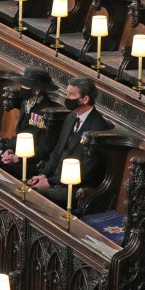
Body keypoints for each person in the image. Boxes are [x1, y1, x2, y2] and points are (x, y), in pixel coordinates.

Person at [27, 77, 112, 208]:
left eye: (71, 94)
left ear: (85, 99)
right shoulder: (71, 116)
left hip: (75, 188)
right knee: (25, 188)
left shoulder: (98, 128)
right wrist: (43, 174)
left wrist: (49, 182)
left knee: (33, 197)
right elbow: (57, 151)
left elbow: (87, 170)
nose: (66, 97)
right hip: (57, 180)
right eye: (67, 93)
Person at [0, 67, 60, 179]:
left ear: (36, 90)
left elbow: (44, 149)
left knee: (2, 170)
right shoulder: (26, 103)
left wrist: (18, 158)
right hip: (18, 153)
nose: (22, 88)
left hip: (33, 161)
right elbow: (20, 133)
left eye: (25, 86)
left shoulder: (47, 111)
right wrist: (10, 149)